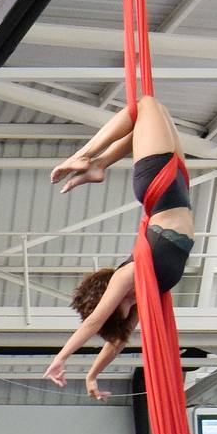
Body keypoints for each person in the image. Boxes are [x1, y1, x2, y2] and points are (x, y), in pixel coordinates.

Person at [43, 95, 198, 398]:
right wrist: (91, 376)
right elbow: (114, 339)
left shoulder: (130, 277)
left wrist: (61, 358)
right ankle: (95, 163)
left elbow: (94, 324)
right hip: (175, 185)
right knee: (151, 110)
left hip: (159, 185)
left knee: (146, 108)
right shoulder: (142, 295)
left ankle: (87, 159)